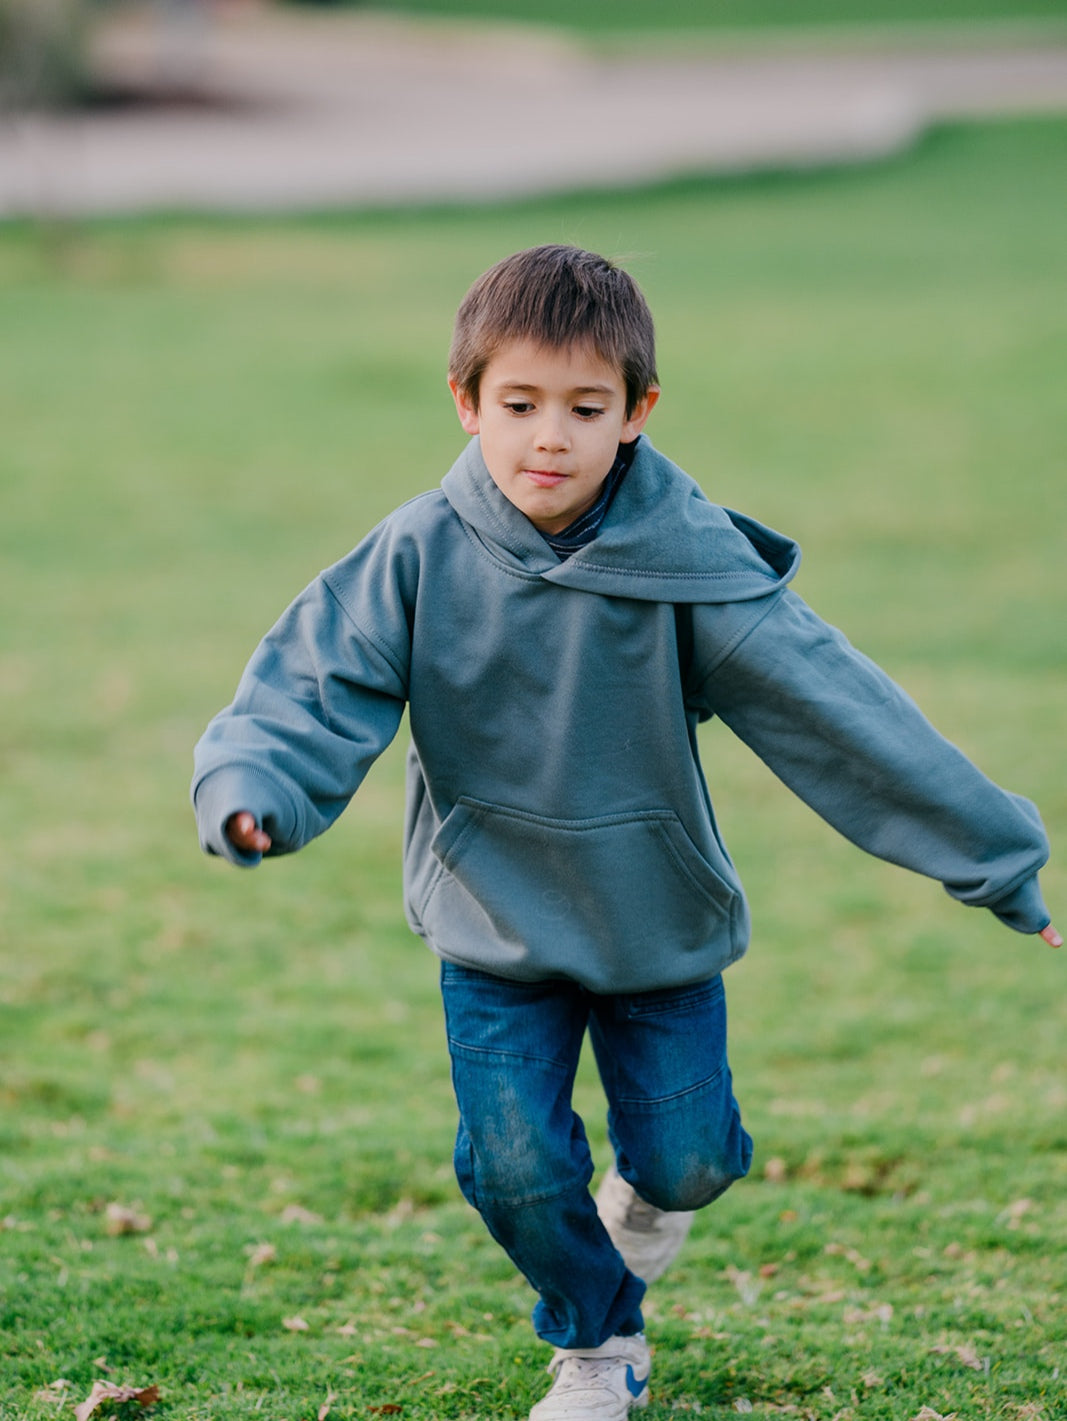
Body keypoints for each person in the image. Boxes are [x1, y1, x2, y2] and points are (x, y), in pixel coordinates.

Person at [192, 244, 1059, 1420]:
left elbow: (844, 717)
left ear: (637, 412)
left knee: (687, 1158)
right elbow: (310, 685)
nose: (547, 437)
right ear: (465, 400)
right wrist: (253, 787)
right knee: (508, 1165)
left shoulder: (688, 569)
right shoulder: (414, 555)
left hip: (654, 921)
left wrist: (999, 858)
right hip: (492, 924)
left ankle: (649, 1206)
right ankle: (598, 1346)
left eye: (583, 408)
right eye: (518, 405)